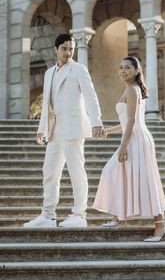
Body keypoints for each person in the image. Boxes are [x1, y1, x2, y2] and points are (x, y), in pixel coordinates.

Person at [24, 33, 104, 228]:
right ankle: (48, 215)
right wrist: (42, 129)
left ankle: (79, 214)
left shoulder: (79, 70)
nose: (68, 52)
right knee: (49, 172)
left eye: (71, 49)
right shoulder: (49, 72)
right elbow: (46, 105)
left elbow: (90, 96)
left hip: (74, 128)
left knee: (76, 171)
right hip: (55, 130)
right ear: (56, 49)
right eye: (64, 49)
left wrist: (97, 122)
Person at [93, 56, 165, 242]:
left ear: (136, 70)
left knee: (143, 178)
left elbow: (133, 121)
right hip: (134, 136)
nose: (123, 71)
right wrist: (108, 132)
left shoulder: (132, 90)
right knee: (116, 173)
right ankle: (119, 217)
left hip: (137, 139)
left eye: (127, 68)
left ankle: (160, 224)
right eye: (120, 67)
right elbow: (125, 122)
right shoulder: (129, 89)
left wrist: (123, 146)